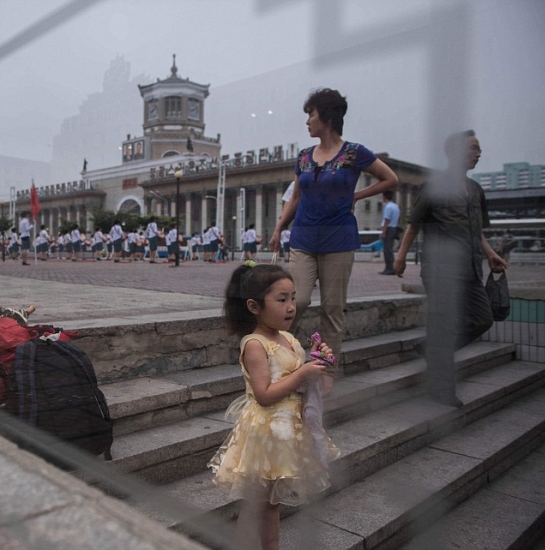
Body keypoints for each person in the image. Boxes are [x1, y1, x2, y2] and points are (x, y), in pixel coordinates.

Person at [208, 263, 339, 549]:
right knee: (257, 504)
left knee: (271, 504)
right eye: (281, 300)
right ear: (254, 306)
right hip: (266, 431)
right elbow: (264, 394)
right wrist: (303, 374)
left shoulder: (288, 338)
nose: (291, 307)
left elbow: (294, 378)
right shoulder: (255, 344)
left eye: (293, 298)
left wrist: (316, 362)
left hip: (287, 429)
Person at [269, 88, 398, 373]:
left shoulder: (354, 153)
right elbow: (295, 197)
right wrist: (279, 228)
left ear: (326, 117)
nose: (307, 122)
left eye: (311, 115)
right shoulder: (304, 157)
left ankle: (324, 371)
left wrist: (357, 195)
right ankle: (282, 359)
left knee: (332, 308)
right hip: (303, 237)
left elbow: (390, 178)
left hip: (338, 239)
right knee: (297, 300)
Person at [394, 130, 506, 407]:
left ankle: (432, 349)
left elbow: (477, 230)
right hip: (440, 270)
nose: (478, 153)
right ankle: (441, 390)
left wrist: (491, 254)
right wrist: (401, 256)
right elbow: (414, 224)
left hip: (471, 268)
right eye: (473, 148)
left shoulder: (476, 190)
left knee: (483, 318)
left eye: (479, 148)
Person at [379, 189, 401, 275]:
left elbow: (387, 220)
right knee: (390, 249)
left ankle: (389, 268)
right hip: (394, 228)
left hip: (389, 229)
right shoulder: (396, 206)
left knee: (387, 250)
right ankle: (391, 267)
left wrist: (383, 232)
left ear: (385, 197)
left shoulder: (388, 207)